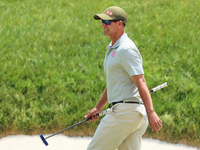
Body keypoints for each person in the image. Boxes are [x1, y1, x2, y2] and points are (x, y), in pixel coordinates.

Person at [84, 6, 162, 150]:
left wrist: (151, 112)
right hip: (131, 114)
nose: (103, 25)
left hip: (124, 113)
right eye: (102, 22)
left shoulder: (126, 49)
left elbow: (141, 82)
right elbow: (114, 83)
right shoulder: (114, 48)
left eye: (107, 22)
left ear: (120, 23)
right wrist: (98, 107)